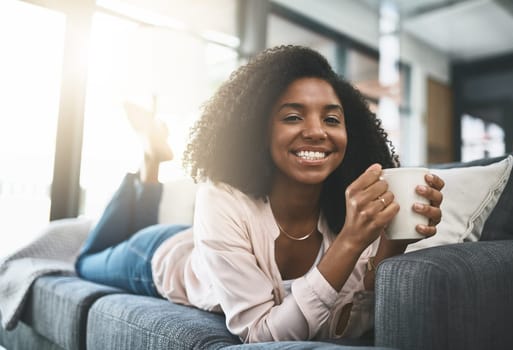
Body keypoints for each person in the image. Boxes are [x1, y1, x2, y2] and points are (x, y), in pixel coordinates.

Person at [75, 45, 444, 343]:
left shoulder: (351, 207)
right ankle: (149, 162)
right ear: (259, 130)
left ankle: (150, 164)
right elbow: (261, 335)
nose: (317, 131)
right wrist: (348, 244)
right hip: (162, 257)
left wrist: (393, 244)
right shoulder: (220, 197)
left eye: (331, 119)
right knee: (86, 261)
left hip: (214, 243)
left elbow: (349, 322)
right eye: (293, 116)